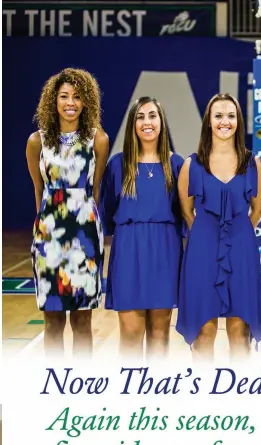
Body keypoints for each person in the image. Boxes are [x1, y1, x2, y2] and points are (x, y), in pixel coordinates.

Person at [176, 93, 261, 357]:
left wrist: (236, 233)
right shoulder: (192, 165)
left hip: (242, 251)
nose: (224, 121)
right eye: (218, 116)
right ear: (208, 122)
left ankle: (235, 397)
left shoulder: (253, 163)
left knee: (240, 333)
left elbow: (257, 209)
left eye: (230, 115)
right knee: (204, 333)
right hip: (202, 252)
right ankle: (205, 396)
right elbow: (186, 210)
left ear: (238, 121)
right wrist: (207, 234)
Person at [26, 68, 108, 356]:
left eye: (77, 96)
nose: (70, 102)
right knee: (52, 321)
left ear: (86, 101)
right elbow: (39, 191)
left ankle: (79, 386)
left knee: (82, 320)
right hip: (49, 239)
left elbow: (95, 190)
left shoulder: (98, 140)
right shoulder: (37, 141)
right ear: (54, 100)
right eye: (64, 96)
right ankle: (55, 382)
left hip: (85, 237)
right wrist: (44, 233)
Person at [100, 97, 184, 357]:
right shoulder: (117, 164)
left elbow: (185, 215)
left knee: (160, 333)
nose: (147, 122)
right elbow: (106, 211)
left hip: (165, 251)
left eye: (152, 115)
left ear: (162, 122)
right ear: (132, 124)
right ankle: (132, 394)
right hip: (128, 250)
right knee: (130, 333)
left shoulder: (177, 164)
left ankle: (156, 394)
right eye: (140, 116)